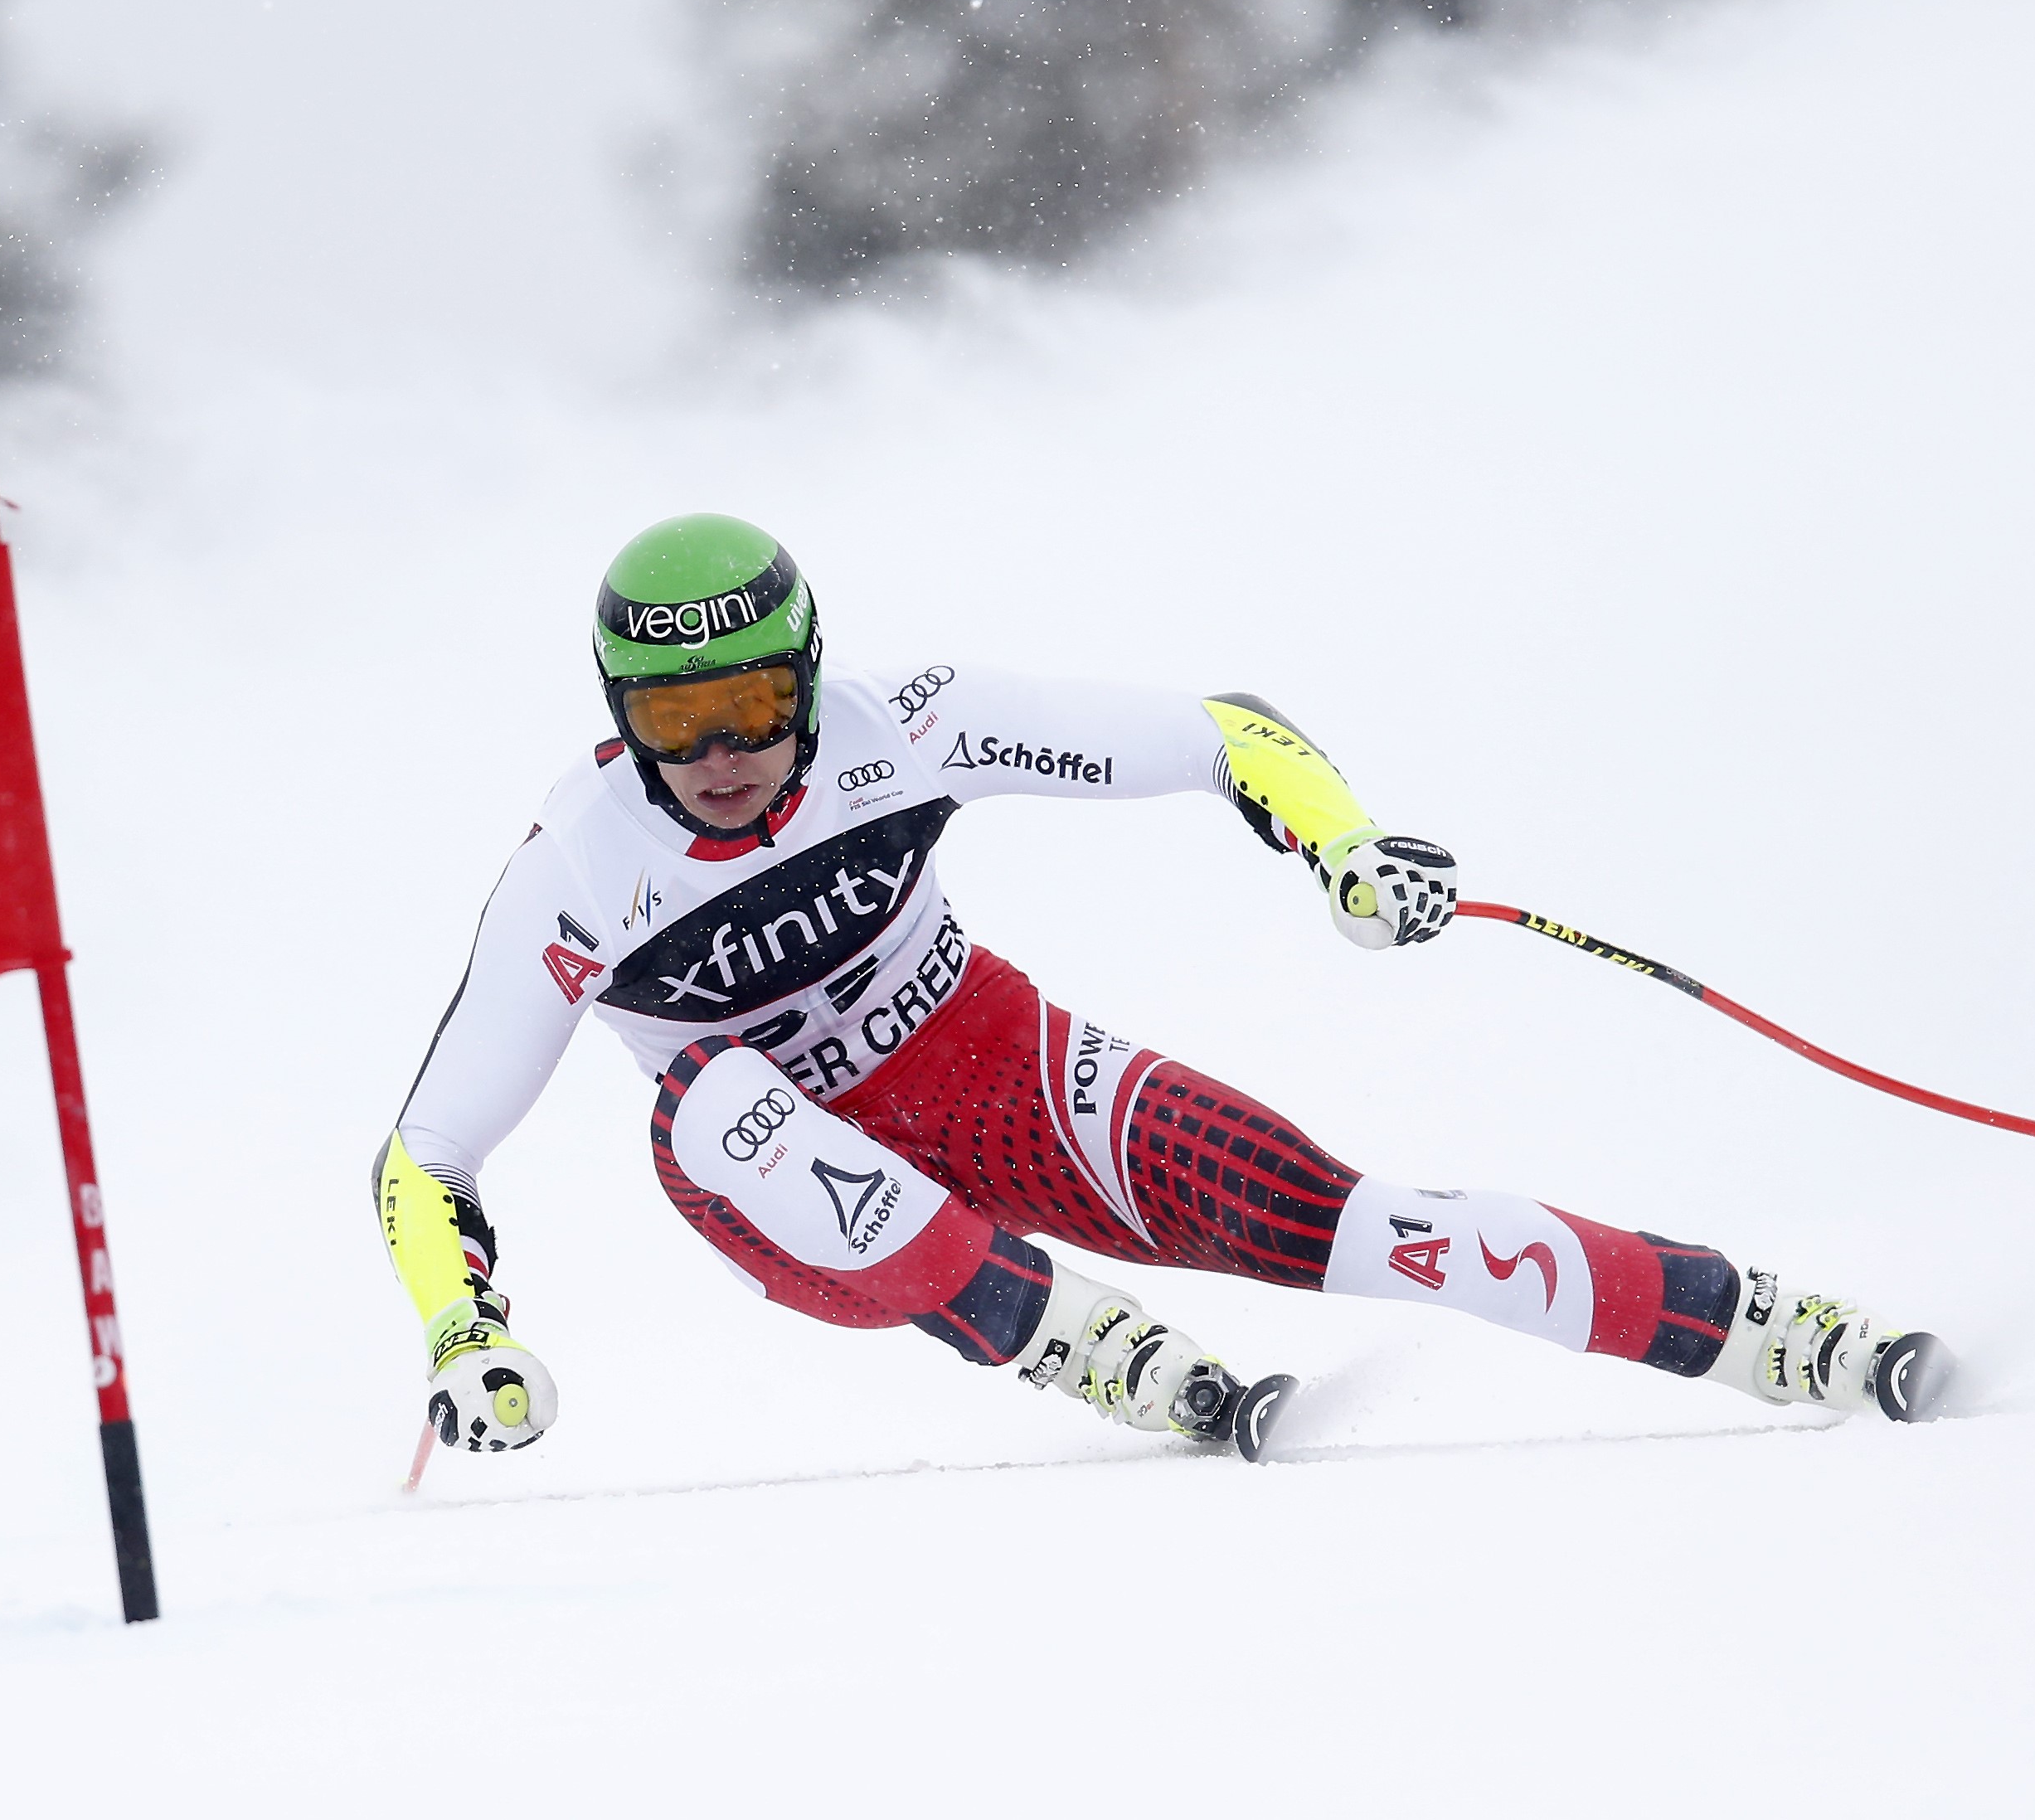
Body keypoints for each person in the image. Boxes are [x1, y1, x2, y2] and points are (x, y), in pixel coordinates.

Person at [373, 514, 1950, 1461]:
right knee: (715, 1101)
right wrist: (467, 1335)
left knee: (1349, 1221)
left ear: (807, 672)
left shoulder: (903, 723)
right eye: (675, 718)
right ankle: (1063, 1333)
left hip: (985, 1066)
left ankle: (1760, 1328)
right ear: (617, 714)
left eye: (751, 703)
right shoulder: (574, 873)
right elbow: (423, 1159)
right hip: (777, 1183)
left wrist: (1342, 850)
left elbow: (1220, 729)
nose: (719, 756)